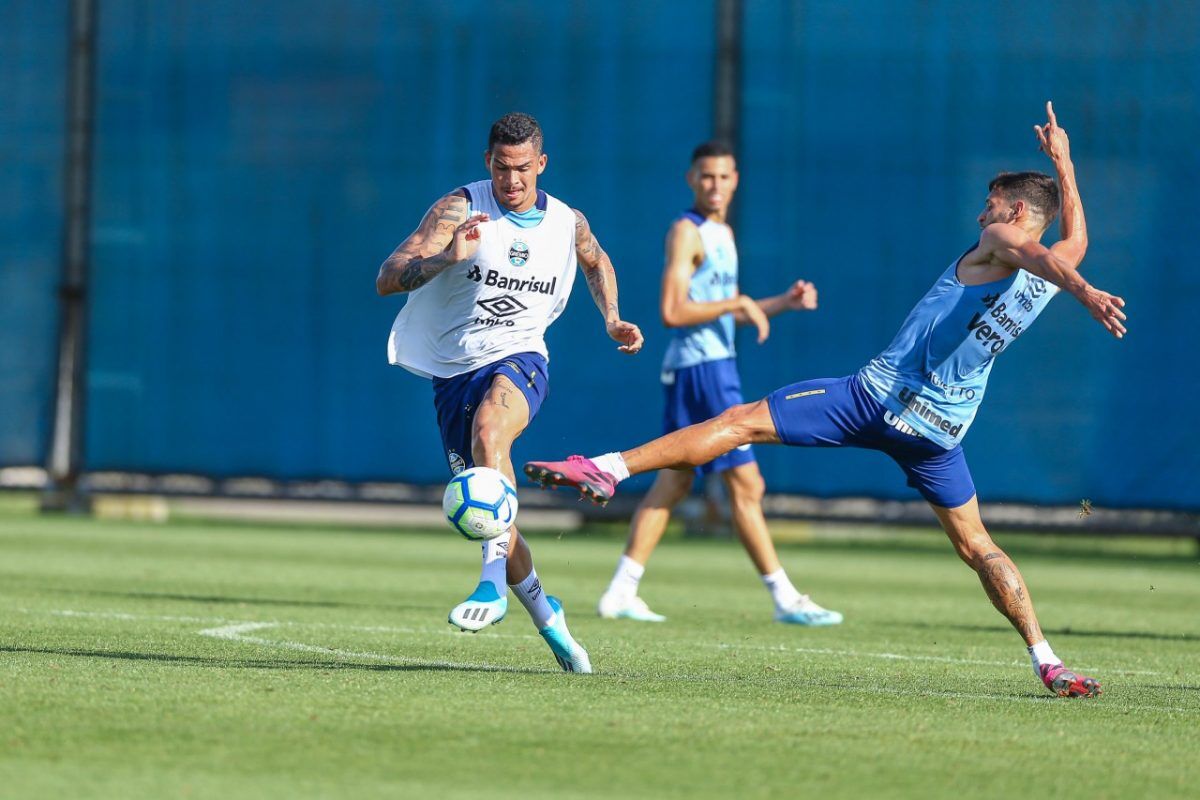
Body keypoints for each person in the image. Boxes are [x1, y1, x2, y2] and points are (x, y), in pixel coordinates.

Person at [525, 103, 1121, 697]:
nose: (981, 212)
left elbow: (1042, 253)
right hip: (941, 432)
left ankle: (607, 469)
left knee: (738, 423)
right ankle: (1046, 659)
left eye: (990, 204)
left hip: (878, 398)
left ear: (1015, 213)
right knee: (978, 544)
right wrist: (1066, 167)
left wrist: (1088, 292)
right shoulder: (1059, 267)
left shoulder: (1003, 239)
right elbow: (1071, 243)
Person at [376, 112, 644, 673]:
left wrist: (612, 319)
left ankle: (490, 583)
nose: (512, 180)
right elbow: (388, 275)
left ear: (541, 164)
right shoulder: (458, 210)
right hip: (453, 375)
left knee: (491, 430)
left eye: (523, 169)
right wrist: (445, 259)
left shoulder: (567, 222)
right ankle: (551, 619)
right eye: (502, 168)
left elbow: (596, 260)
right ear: (487, 164)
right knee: (496, 512)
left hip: (521, 357)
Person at [596, 141, 842, 627]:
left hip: (711, 364)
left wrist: (781, 303)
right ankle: (785, 597)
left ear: (735, 180)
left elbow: (723, 311)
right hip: (702, 370)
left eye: (724, 176)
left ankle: (621, 591)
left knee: (674, 480)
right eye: (706, 176)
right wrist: (738, 304)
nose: (715, 185)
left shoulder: (722, 232)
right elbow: (673, 312)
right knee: (747, 483)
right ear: (692, 179)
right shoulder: (687, 232)